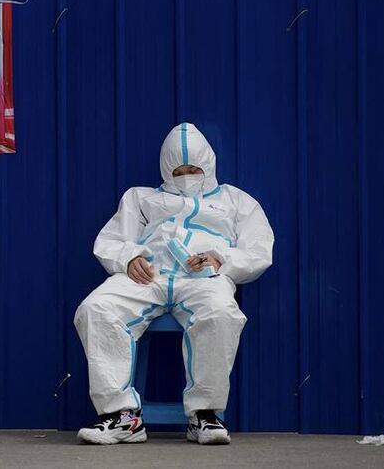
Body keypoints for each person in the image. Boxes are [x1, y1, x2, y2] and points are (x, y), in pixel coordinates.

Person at [73, 123, 273, 445]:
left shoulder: (236, 201)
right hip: (147, 277)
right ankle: (121, 417)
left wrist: (220, 258)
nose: (187, 176)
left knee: (221, 313)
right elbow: (110, 240)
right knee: (96, 308)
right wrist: (129, 258)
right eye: (178, 170)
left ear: (208, 165)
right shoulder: (141, 198)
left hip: (202, 280)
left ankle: (204, 416)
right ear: (166, 169)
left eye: (194, 169)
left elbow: (259, 249)